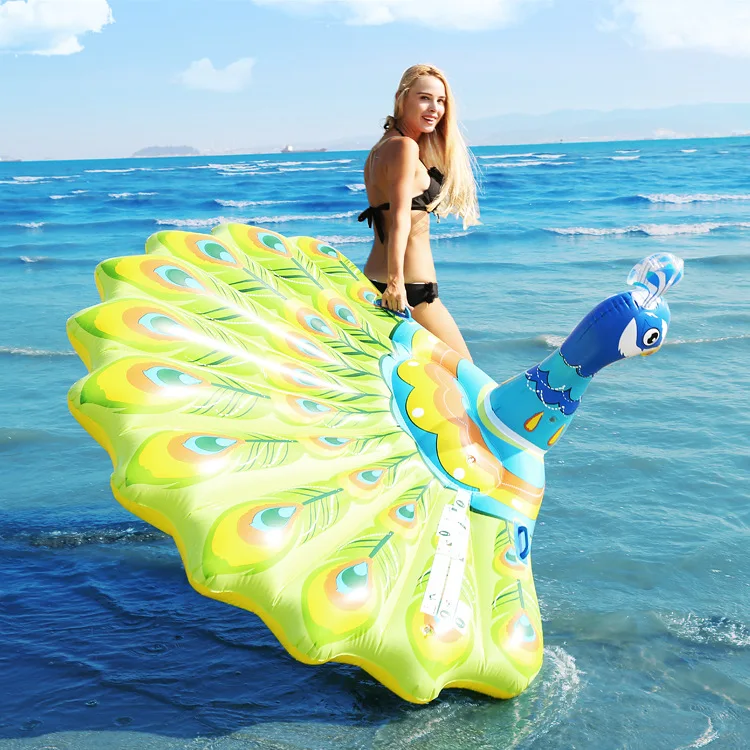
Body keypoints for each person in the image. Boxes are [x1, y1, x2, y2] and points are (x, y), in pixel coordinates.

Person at [358, 63, 480, 361]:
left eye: (441, 101)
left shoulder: (379, 150)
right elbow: (399, 218)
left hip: (374, 281)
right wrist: (396, 283)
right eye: (425, 98)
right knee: (466, 371)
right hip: (410, 291)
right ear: (402, 98)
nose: (435, 108)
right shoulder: (404, 148)